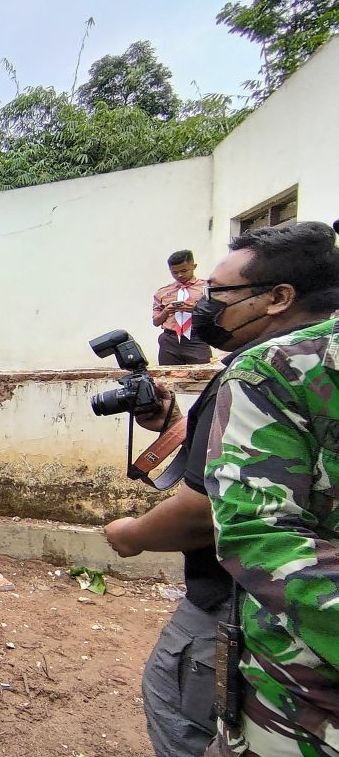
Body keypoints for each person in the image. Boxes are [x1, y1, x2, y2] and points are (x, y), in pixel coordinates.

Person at [201, 221, 339, 757]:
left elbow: (245, 526)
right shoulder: (265, 373)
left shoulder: (271, 371)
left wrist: (135, 532)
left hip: (301, 702)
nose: (207, 307)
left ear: (279, 297)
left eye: (220, 293)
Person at [153, 249, 212, 365]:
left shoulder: (207, 288)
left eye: (184, 270)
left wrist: (194, 309)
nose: (180, 275)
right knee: (168, 378)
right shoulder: (162, 292)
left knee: (202, 377)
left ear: (194, 266)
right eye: (174, 272)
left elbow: (217, 315)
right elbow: (155, 322)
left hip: (197, 338)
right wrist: (166, 311)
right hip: (170, 340)